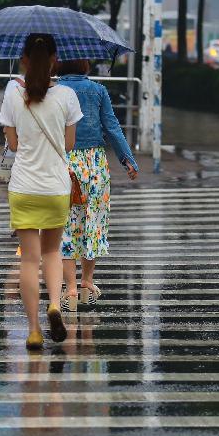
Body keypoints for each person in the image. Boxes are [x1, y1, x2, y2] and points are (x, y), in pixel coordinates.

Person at [0, 34, 83, 351]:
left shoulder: (12, 93)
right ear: (53, 60)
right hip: (55, 187)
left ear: (24, 61)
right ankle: (55, 307)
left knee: (29, 261)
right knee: (52, 253)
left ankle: (33, 330)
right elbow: (70, 145)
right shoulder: (66, 96)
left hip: (23, 187)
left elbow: (14, 144)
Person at [56, 59, 139, 311]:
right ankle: (87, 283)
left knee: (66, 225)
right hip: (93, 164)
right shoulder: (98, 91)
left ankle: (69, 289)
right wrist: (127, 159)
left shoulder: (53, 92)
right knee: (93, 221)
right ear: (85, 66)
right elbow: (112, 127)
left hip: (63, 161)